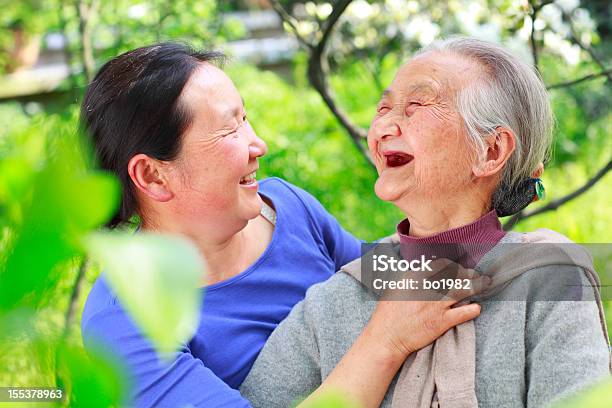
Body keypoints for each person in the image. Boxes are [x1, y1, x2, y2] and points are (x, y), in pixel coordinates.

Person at [80, 43, 491, 408]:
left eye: (246, 119)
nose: (259, 145)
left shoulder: (284, 206)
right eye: (229, 128)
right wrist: (386, 342)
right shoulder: (125, 322)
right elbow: (385, 322)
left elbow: (371, 274)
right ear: (153, 176)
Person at [240, 37, 611, 407]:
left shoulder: (548, 281)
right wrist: (384, 341)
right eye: (383, 108)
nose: (384, 126)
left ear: (491, 151)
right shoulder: (336, 299)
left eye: (415, 105)